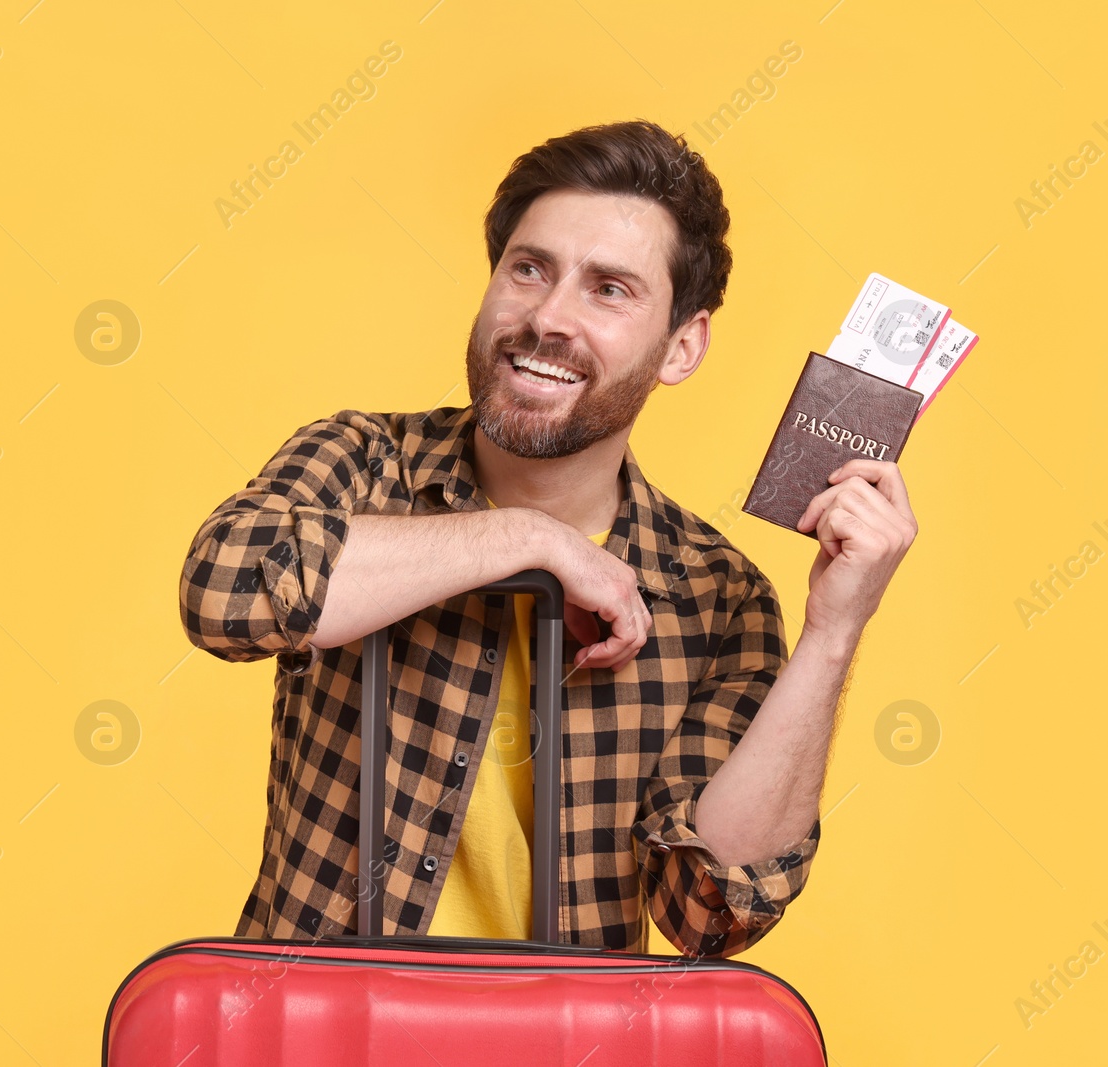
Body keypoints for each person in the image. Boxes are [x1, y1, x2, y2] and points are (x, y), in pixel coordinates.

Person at [177, 119, 917, 957]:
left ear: (682, 345)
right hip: (319, 1031)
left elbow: (714, 910)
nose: (548, 317)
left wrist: (833, 634)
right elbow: (224, 593)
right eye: (529, 269)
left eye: (609, 289)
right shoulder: (363, 462)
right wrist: (528, 538)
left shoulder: (717, 594)